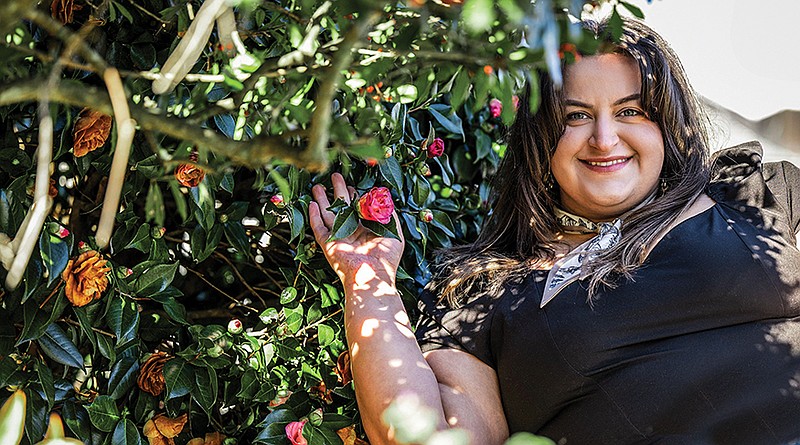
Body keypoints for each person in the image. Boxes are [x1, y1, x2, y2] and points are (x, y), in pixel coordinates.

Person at [309, 15, 800, 445]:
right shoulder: (483, 294)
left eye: (630, 111)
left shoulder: (751, 194)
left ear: (667, 125)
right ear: (540, 136)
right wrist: (367, 279)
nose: (604, 139)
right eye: (576, 116)